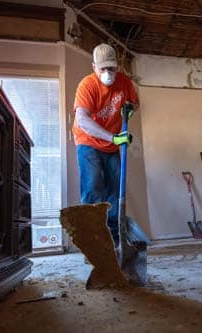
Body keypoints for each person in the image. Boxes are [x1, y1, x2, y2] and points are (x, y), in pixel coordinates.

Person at [73, 43, 139, 247]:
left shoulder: (124, 82)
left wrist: (130, 109)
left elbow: (135, 102)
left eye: (112, 68)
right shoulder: (88, 85)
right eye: (103, 69)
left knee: (116, 188)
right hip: (88, 142)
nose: (108, 73)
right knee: (93, 187)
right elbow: (82, 120)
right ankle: (92, 240)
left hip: (111, 146)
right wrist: (113, 137)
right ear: (94, 67)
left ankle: (115, 236)